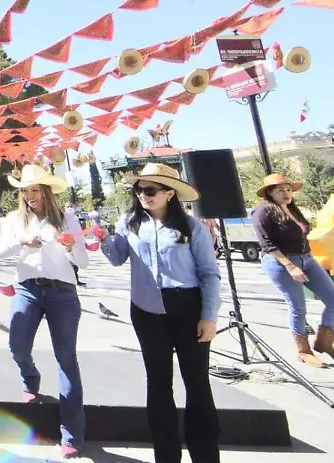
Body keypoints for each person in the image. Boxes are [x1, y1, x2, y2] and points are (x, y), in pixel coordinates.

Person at [101, 163, 222, 463]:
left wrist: (209, 315)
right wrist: (102, 239)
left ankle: (205, 455)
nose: (144, 195)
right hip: (146, 310)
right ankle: (166, 456)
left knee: (197, 382)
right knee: (158, 383)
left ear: (170, 193)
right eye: (139, 190)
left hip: (189, 308)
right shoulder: (129, 223)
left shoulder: (192, 227)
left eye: (151, 190)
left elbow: (209, 273)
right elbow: (117, 258)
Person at [0, 164, 88, 460]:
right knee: (17, 345)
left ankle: (71, 435)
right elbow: (0, 253)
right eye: (26, 190)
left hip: (62, 292)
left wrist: (73, 246)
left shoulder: (67, 218)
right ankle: (29, 377)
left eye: (35, 189)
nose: (30, 195)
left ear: (46, 191)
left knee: (66, 359)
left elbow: (83, 261)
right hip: (27, 288)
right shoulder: (13, 220)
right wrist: (20, 241)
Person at [252, 173, 334, 366]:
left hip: (307, 259)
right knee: (298, 307)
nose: (286, 193)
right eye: (280, 190)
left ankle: (324, 342)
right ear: (270, 193)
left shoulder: (292, 209)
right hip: (281, 263)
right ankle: (303, 351)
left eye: (289, 189)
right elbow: (267, 244)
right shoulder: (263, 211)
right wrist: (290, 266)